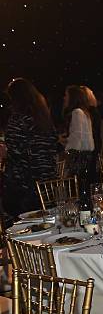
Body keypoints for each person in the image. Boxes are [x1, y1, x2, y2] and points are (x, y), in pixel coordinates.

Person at [2, 78, 58, 217]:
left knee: (22, 223)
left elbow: (16, 152)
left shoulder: (18, 119)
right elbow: (51, 146)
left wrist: (5, 152)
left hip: (25, 184)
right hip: (47, 182)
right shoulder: (43, 117)